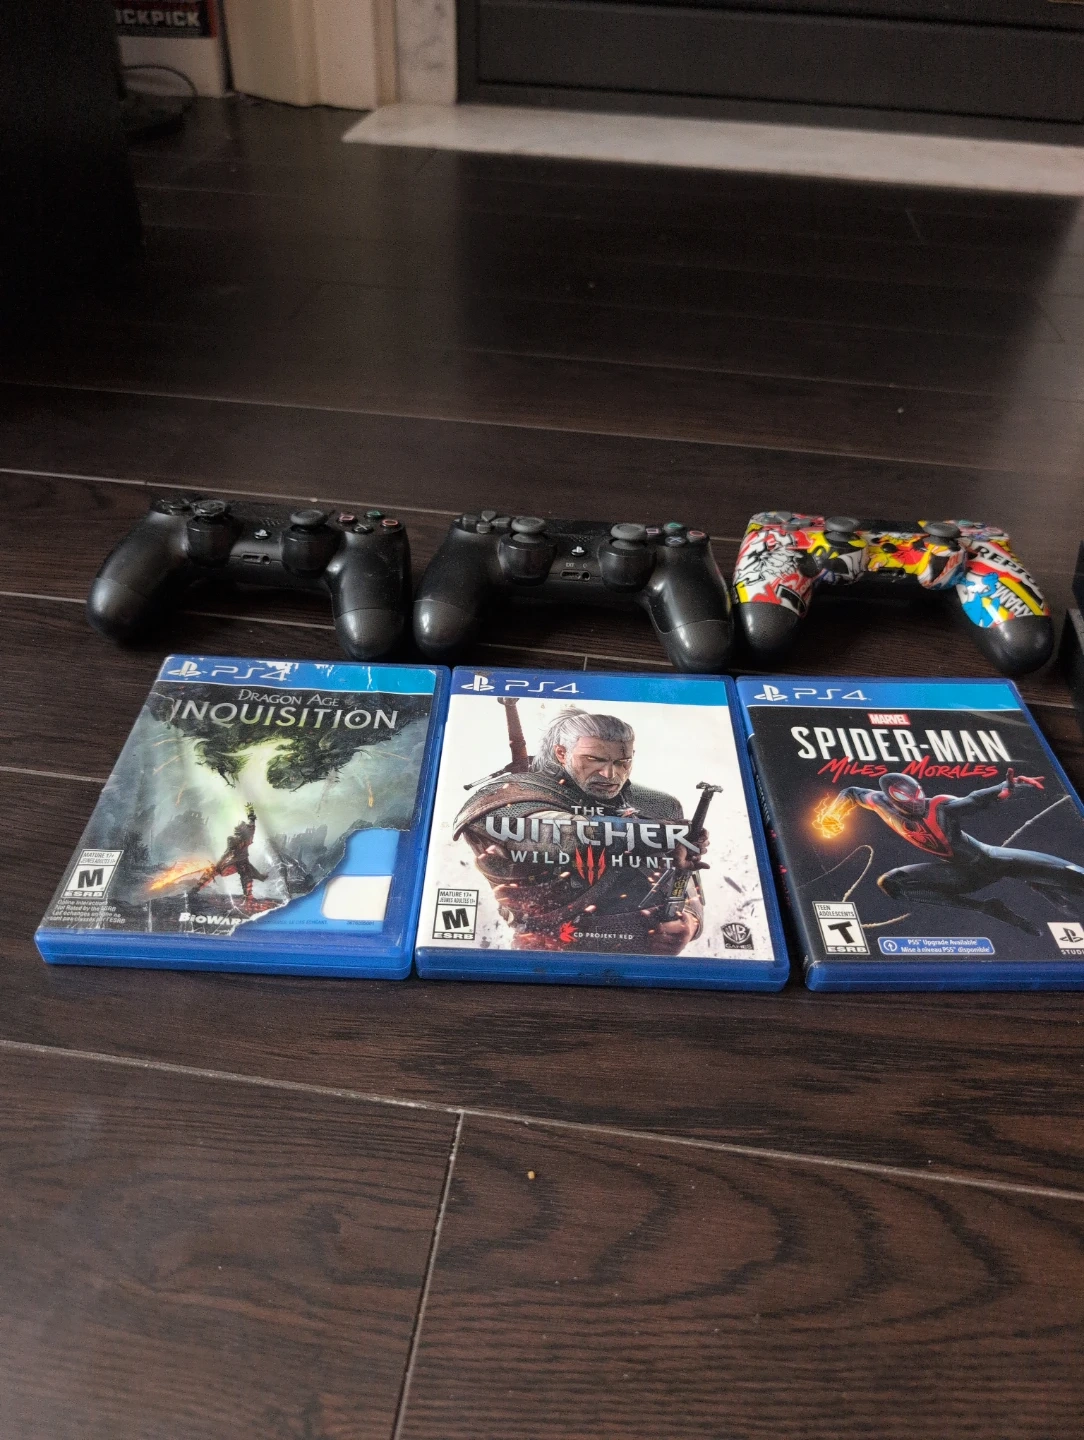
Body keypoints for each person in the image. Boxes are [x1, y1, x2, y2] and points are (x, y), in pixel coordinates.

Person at [454, 707, 708, 953]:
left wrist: (689, 922)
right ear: (561, 753)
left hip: (645, 949)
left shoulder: (658, 805)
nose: (610, 774)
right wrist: (659, 834)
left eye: (622, 762)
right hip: (552, 950)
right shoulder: (509, 796)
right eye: (594, 760)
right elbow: (554, 834)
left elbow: (684, 877)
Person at [815, 769, 1084, 935]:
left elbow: (973, 799)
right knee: (892, 883)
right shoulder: (880, 803)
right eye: (907, 799)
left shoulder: (940, 807)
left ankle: (1041, 885)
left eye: (918, 794)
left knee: (1072, 875)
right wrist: (833, 814)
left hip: (992, 860)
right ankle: (986, 908)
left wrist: (1004, 789)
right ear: (893, 800)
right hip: (961, 874)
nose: (917, 802)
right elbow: (851, 792)